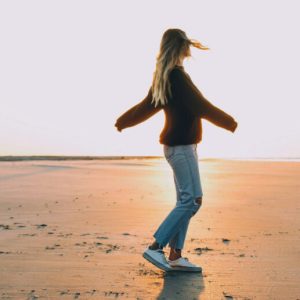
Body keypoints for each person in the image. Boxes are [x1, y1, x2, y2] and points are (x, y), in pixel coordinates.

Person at [114, 28, 238, 272]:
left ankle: (175, 256)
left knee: (187, 200)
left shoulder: (165, 76)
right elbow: (200, 105)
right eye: (187, 45)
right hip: (181, 148)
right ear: (182, 47)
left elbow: (145, 106)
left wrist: (123, 121)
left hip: (177, 147)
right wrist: (229, 122)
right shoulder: (177, 77)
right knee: (192, 200)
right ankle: (156, 246)